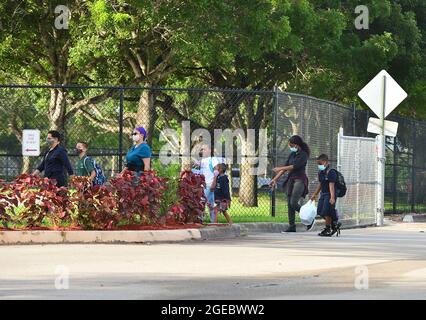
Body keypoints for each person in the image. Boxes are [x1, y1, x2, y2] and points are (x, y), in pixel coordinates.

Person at [269, 135, 310, 232]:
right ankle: (292, 226)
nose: (290, 147)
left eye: (291, 145)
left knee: (293, 203)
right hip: (291, 180)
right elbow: (285, 168)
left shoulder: (303, 154)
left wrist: (280, 168)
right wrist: (275, 179)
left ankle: (309, 219)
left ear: (296, 145)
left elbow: (293, 166)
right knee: (289, 204)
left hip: (300, 179)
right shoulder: (292, 154)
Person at [310, 154, 342, 237]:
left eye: (320, 164)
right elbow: (321, 184)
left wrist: (332, 197)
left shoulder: (331, 172)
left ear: (325, 162)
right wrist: (315, 194)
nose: (319, 166)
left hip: (330, 193)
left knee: (327, 212)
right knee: (320, 211)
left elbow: (331, 185)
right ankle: (334, 224)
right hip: (323, 193)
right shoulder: (321, 172)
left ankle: (328, 228)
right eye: (318, 164)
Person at [197, 144, 224, 223]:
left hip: (209, 185)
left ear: (210, 150)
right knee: (211, 203)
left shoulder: (212, 159)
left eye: (204, 149)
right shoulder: (202, 160)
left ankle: (200, 220)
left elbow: (216, 171)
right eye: (202, 149)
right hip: (204, 185)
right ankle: (213, 222)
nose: (203, 151)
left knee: (202, 202)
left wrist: (213, 183)